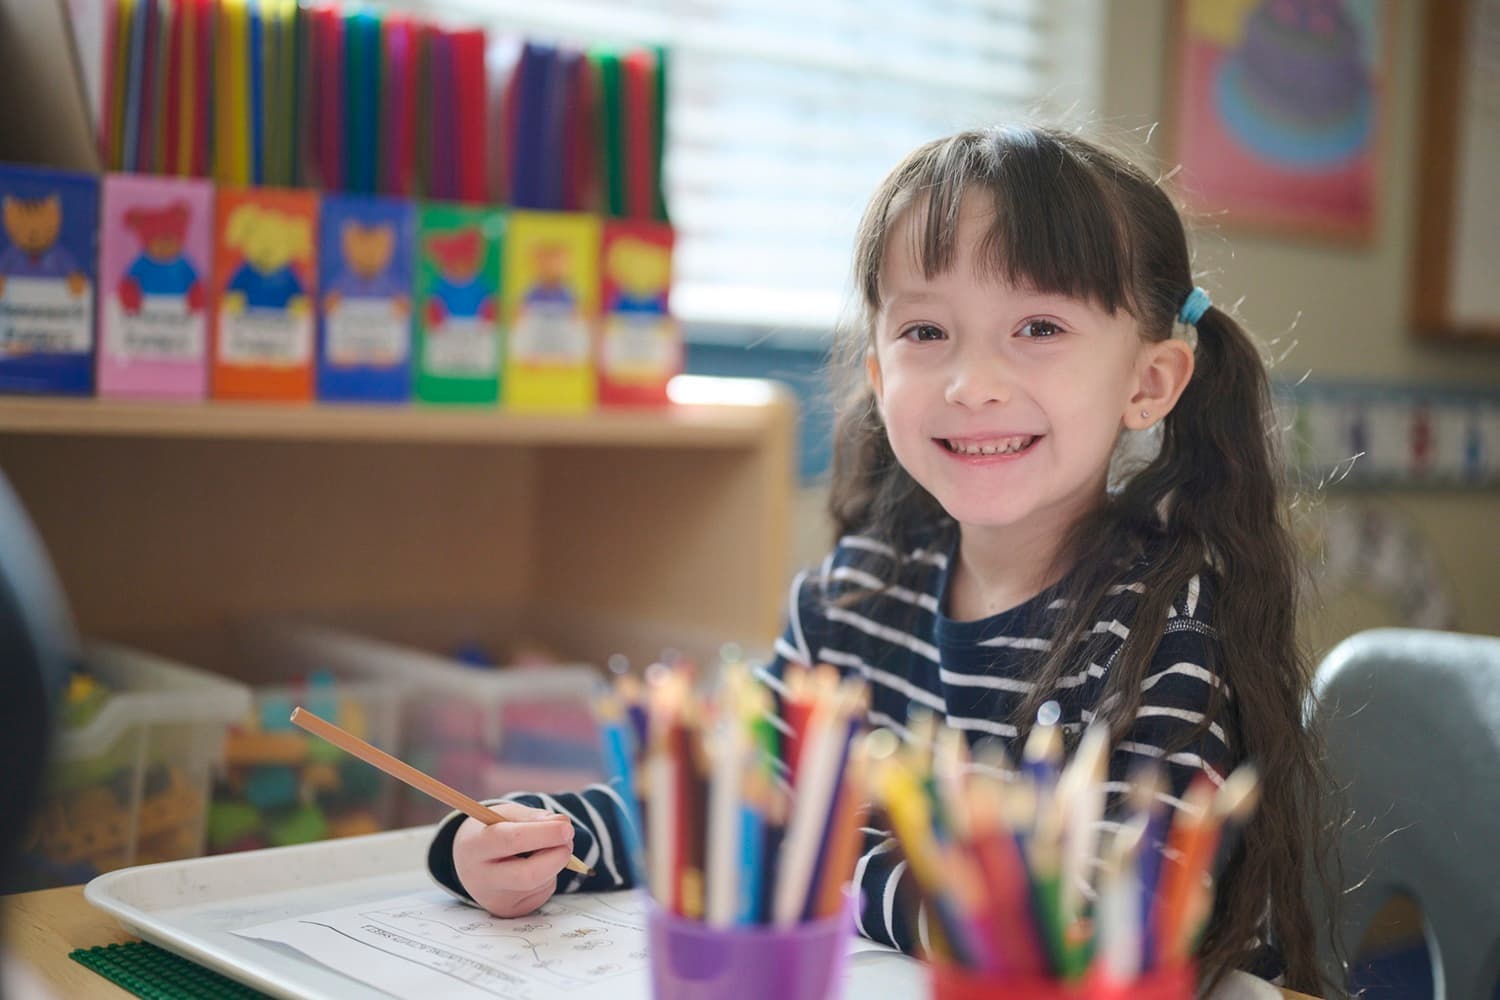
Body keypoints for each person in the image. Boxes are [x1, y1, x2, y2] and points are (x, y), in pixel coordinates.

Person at [426, 125, 1333, 994]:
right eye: (926, 333)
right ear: (879, 375)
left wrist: (807, 853)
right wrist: (531, 838)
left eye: (1039, 327)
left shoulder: (1166, 622)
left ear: (1149, 382)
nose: (972, 384)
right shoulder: (851, 599)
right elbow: (730, 804)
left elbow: (1088, 932)